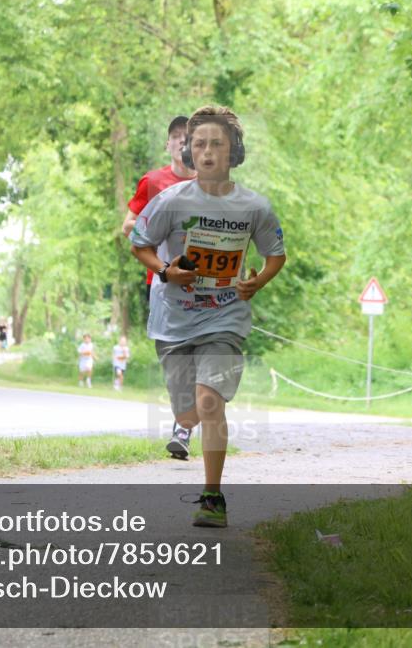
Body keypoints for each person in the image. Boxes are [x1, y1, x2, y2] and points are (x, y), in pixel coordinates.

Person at [131, 105, 286, 527]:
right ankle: (186, 424)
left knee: (209, 402)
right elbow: (139, 243)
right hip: (174, 321)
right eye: (198, 144)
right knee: (187, 411)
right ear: (187, 151)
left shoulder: (254, 206)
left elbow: (275, 254)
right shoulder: (169, 201)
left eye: (216, 143)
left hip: (225, 318)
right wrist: (166, 271)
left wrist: (257, 283)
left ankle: (212, 497)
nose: (206, 151)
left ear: (233, 149)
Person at [122, 116, 198, 450]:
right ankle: (183, 423)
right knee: (173, 358)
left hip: (205, 284)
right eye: (177, 138)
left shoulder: (211, 183)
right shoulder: (153, 182)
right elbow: (129, 226)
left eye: (188, 138)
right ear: (168, 144)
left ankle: (189, 422)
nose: (182, 143)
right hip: (164, 282)